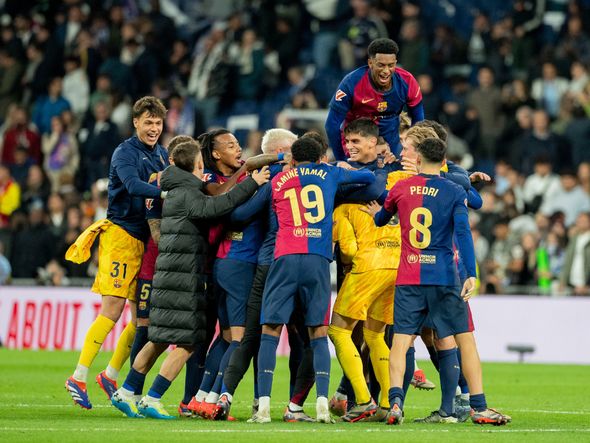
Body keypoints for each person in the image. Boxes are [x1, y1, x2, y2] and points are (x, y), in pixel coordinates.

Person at [110, 141, 270, 419]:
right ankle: (153, 397)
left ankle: (126, 390)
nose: (203, 170)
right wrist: (252, 183)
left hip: (170, 274)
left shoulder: (173, 189)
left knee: (158, 339)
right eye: (200, 166)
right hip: (182, 277)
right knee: (187, 342)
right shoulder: (187, 193)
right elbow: (221, 205)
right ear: (195, 166)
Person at [363, 137, 509, 426]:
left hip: (409, 277)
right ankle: (478, 407)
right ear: (443, 160)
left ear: (417, 159)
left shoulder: (401, 188)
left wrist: (376, 214)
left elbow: (381, 219)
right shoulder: (454, 190)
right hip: (444, 277)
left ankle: (394, 404)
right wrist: (470, 273)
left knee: (401, 342)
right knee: (465, 340)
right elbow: (464, 234)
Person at [250, 137, 376, 424]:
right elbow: (368, 176)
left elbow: (249, 206)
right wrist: (338, 166)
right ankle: (321, 404)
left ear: (293, 158)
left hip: (284, 257)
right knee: (318, 332)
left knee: (270, 330)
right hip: (318, 260)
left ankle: (264, 407)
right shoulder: (330, 172)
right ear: (320, 156)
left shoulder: (279, 179)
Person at [64, 96, 169, 410]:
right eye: (148, 122)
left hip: (146, 241)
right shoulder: (124, 152)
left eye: (158, 123)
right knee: (112, 309)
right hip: (121, 236)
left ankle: (110, 375)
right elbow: (134, 186)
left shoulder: (162, 154)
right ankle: (78, 376)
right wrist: (168, 192)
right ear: (135, 122)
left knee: (141, 319)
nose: (153, 128)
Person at [325, 38, 424, 161]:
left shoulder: (407, 82)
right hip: (357, 147)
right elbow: (331, 125)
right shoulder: (351, 83)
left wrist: (413, 152)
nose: (386, 71)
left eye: (391, 65)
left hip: (391, 146)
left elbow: (418, 122)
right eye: (381, 65)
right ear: (370, 63)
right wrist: (341, 160)